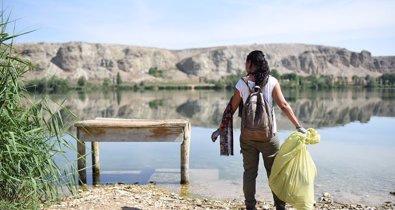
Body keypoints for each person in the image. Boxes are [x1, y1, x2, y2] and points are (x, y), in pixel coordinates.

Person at [217, 50, 306, 210]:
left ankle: (250, 206)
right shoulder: (272, 81)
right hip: (269, 137)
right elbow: (284, 105)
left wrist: (220, 129)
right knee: (275, 173)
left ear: (251, 63)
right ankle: (280, 206)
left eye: (246, 62)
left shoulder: (242, 83)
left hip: (247, 137)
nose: (245, 65)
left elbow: (231, 108)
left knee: (249, 173)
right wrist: (298, 126)